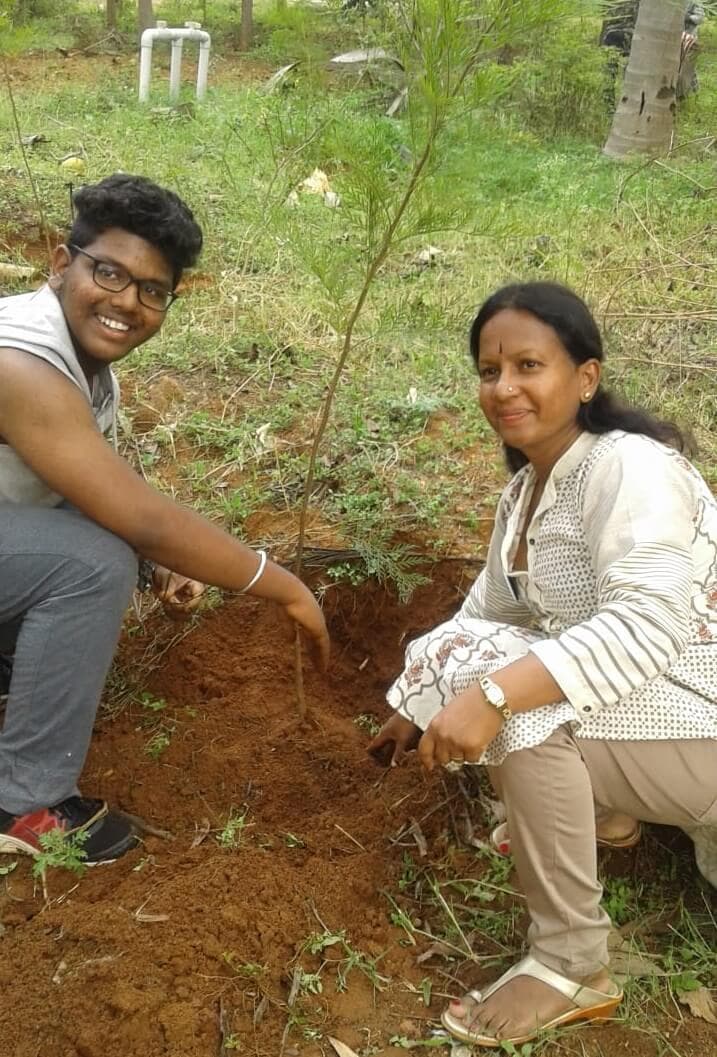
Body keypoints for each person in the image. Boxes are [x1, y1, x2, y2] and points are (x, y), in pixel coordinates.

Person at [369, 281, 717, 1048]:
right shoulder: (529, 490)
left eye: (528, 365)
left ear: (585, 377)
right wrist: (418, 699)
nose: (503, 387)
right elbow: (486, 613)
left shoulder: (631, 468)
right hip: (667, 722)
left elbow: (646, 622)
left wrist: (490, 696)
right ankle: (605, 818)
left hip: (702, 712)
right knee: (494, 668)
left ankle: (570, 963)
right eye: (489, 370)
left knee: (514, 701)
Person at [0, 173, 329, 865]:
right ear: (61, 264)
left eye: (153, 290)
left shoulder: (82, 363)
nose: (128, 302)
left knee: (96, 547)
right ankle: (23, 802)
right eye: (110, 273)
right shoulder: (21, 360)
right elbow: (142, 518)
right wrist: (282, 585)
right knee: (92, 565)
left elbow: (89, 485)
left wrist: (158, 564)